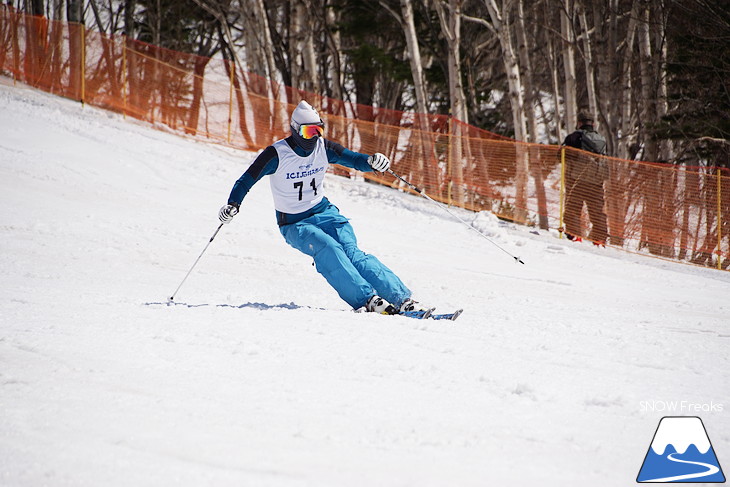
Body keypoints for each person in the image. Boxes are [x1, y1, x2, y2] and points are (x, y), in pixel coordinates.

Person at [218, 100, 429, 315]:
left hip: (325, 213)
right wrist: (233, 204)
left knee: (354, 254)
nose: (315, 137)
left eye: (318, 130)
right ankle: (368, 300)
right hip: (294, 223)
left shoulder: (323, 147)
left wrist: (372, 161)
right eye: (309, 132)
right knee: (329, 249)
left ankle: (403, 300)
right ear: (295, 130)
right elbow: (246, 180)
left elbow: (354, 160)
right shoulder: (276, 154)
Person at [561, 111, 609, 246]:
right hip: (597, 182)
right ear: (593, 124)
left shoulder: (573, 137)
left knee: (573, 209)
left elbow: (562, 156)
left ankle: (575, 236)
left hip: (576, 180)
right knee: (597, 211)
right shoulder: (602, 140)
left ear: (579, 123)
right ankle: (599, 239)